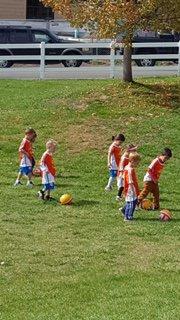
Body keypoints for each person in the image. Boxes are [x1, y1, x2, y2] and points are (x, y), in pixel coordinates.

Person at [121, 152, 141, 221]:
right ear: (132, 161)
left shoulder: (127, 167)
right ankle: (128, 217)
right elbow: (130, 181)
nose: (137, 164)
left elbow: (123, 177)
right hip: (131, 188)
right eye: (137, 163)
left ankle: (124, 210)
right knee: (132, 202)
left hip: (130, 188)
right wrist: (133, 190)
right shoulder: (130, 169)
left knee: (131, 201)